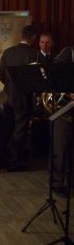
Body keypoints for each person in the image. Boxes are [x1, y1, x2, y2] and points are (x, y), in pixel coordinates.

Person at [0, 25, 39, 172]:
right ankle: (14, 162)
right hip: (23, 98)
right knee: (19, 130)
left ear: (22, 36)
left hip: (7, 97)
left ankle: (0, 159)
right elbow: (38, 78)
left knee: (6, 129)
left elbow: (1, 74)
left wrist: (9, 86)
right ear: (33, 37)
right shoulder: (34, 54)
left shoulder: (8, 52)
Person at [51, 46, 74, 197]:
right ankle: (57, 183)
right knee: (60, 148)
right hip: (64, 110)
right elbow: (54, 74)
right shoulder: (68, 53)